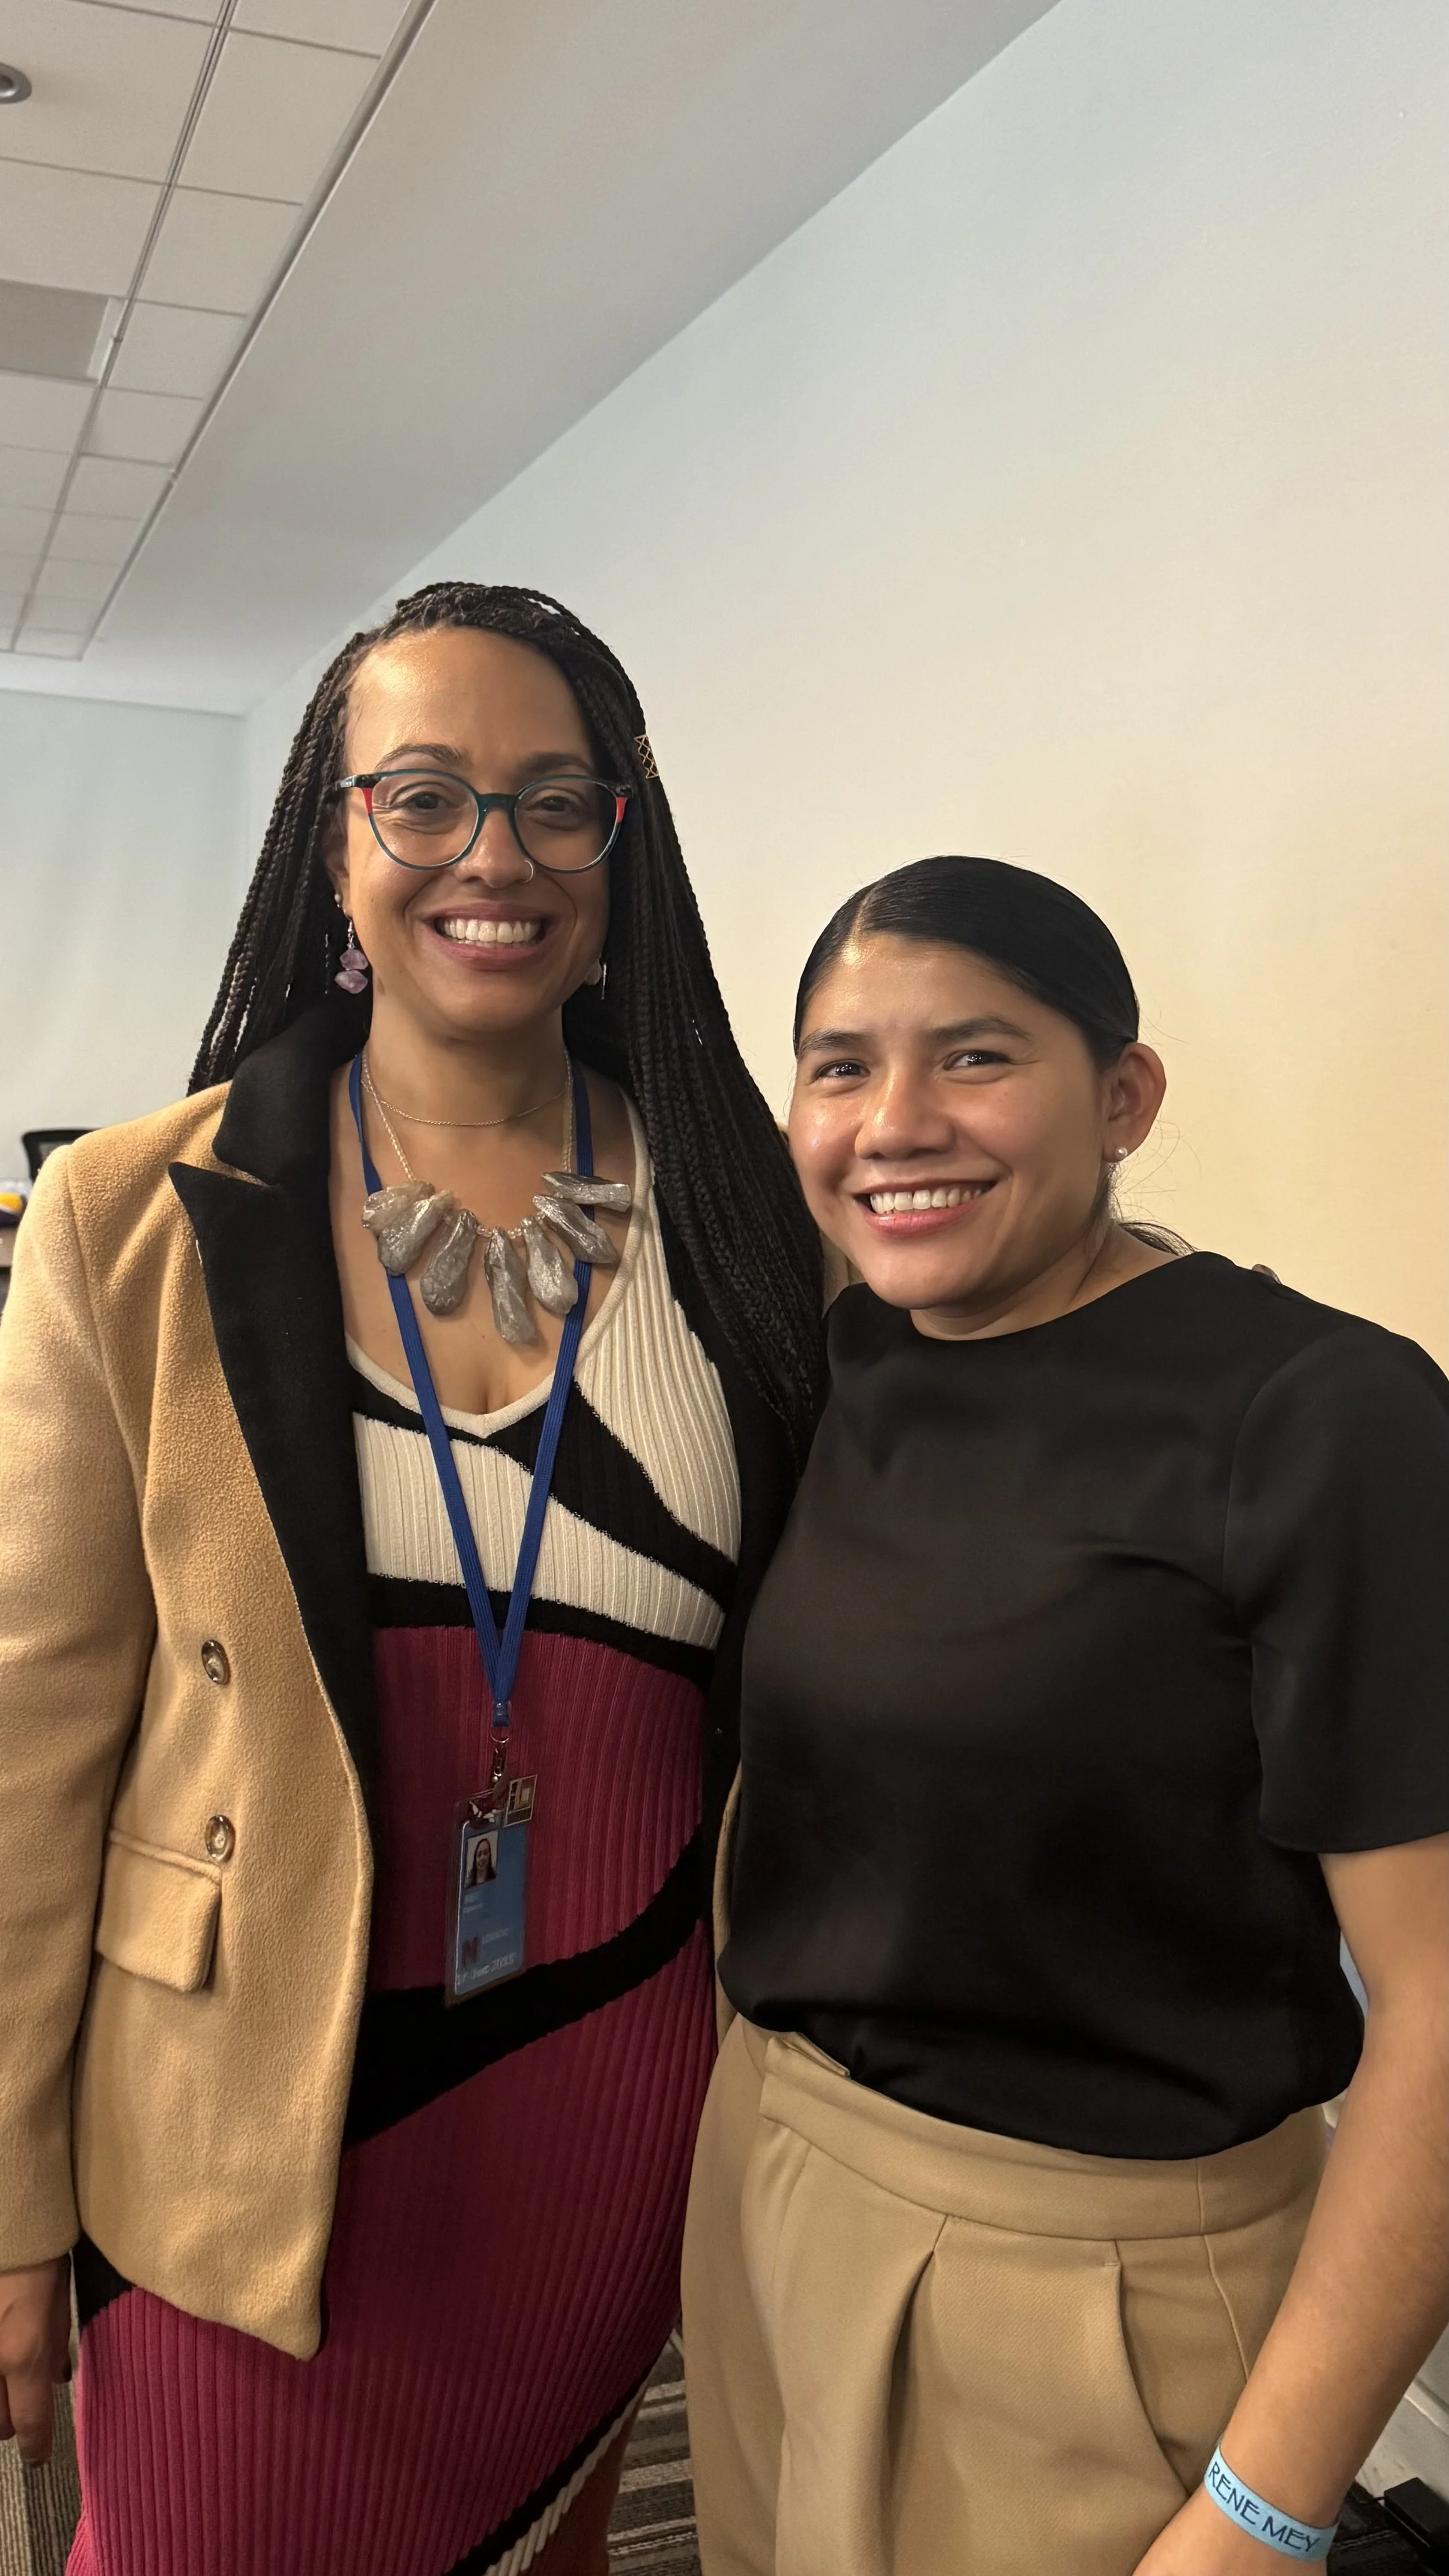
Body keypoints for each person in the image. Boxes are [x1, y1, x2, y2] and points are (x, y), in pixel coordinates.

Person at [0, 583, 823, 2576]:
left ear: (623, 848)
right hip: (240, 2115)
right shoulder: (134, 1213)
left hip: (615, 2086)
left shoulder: (743, 1214)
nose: (496, 856)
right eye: (427, 796)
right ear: (331, 840)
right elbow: (27, 1741)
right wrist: (11, 2194)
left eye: (557, 802)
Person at [683, 855, 1448, 2576]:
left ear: (1123, 1095)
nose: (892, 1120)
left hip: (1081, 2288)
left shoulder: (1317, 1415)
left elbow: (1439, 2003)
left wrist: (1268, 2507)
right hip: (775, 2182)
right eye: (837, 1062)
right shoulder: (858, 1354)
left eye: (972, 1055)